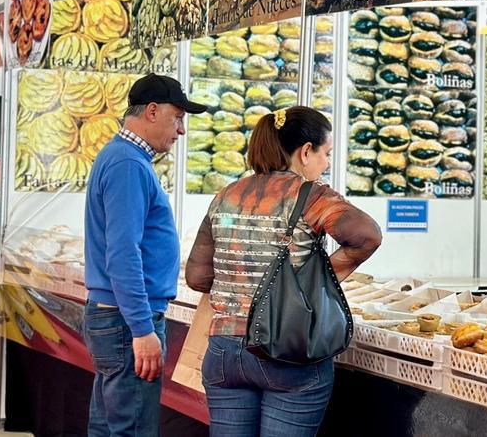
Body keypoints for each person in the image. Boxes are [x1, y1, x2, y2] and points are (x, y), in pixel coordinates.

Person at [185, 106, 381, 437]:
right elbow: (367, 236)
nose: (327, 163)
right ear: (306, 152)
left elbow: (198, 278)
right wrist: (316, 280)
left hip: (224, 354)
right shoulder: (311, 196)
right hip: (287, 352)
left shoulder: (225, 196)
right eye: (326, 153)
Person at [82, 73, 206, 436]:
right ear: (152, 111)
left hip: (116, 316)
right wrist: (141, 327)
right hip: (126, 320)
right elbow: (122, 253)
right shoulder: (128, 166)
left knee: (108, 425)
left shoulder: (122, 157)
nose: (181, 130)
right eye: (178, 117)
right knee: (131, 428)